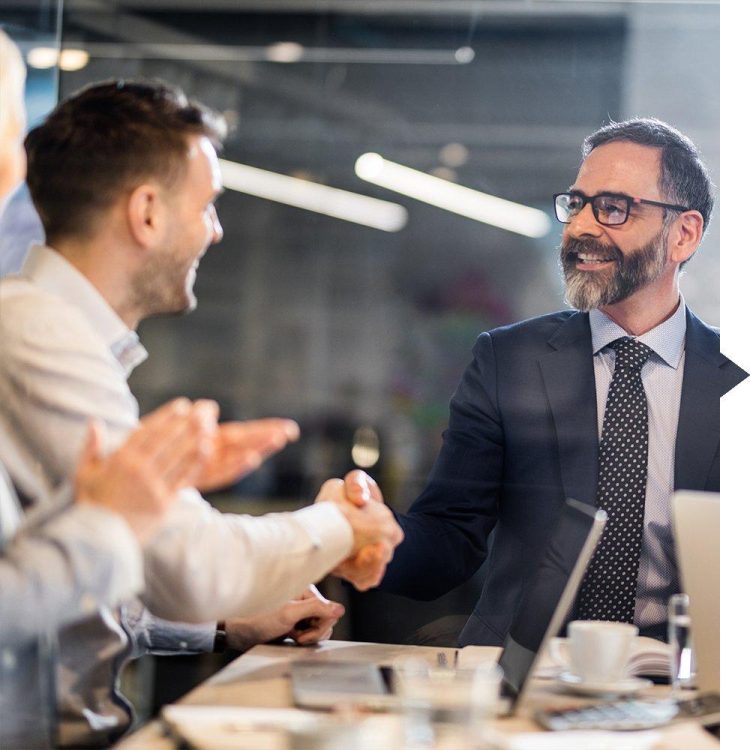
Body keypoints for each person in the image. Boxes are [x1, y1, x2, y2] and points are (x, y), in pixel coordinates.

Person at [0, 64, 402, 746]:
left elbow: (76, 581)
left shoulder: (63, 333)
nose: (214, 231)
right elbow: (195, 566)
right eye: (206, 204)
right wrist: (342, 527)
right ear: (147, 213)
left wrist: (226, 624)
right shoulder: (39, 331)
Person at [371, 117, 746, 646]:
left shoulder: (737, 377)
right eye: (577, 204)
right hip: (524, 669)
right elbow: (448, 539)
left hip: (682, 673)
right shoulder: (508, 361)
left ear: (683, 234)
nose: (581, 228)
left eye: (613, 208)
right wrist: (367, 538)